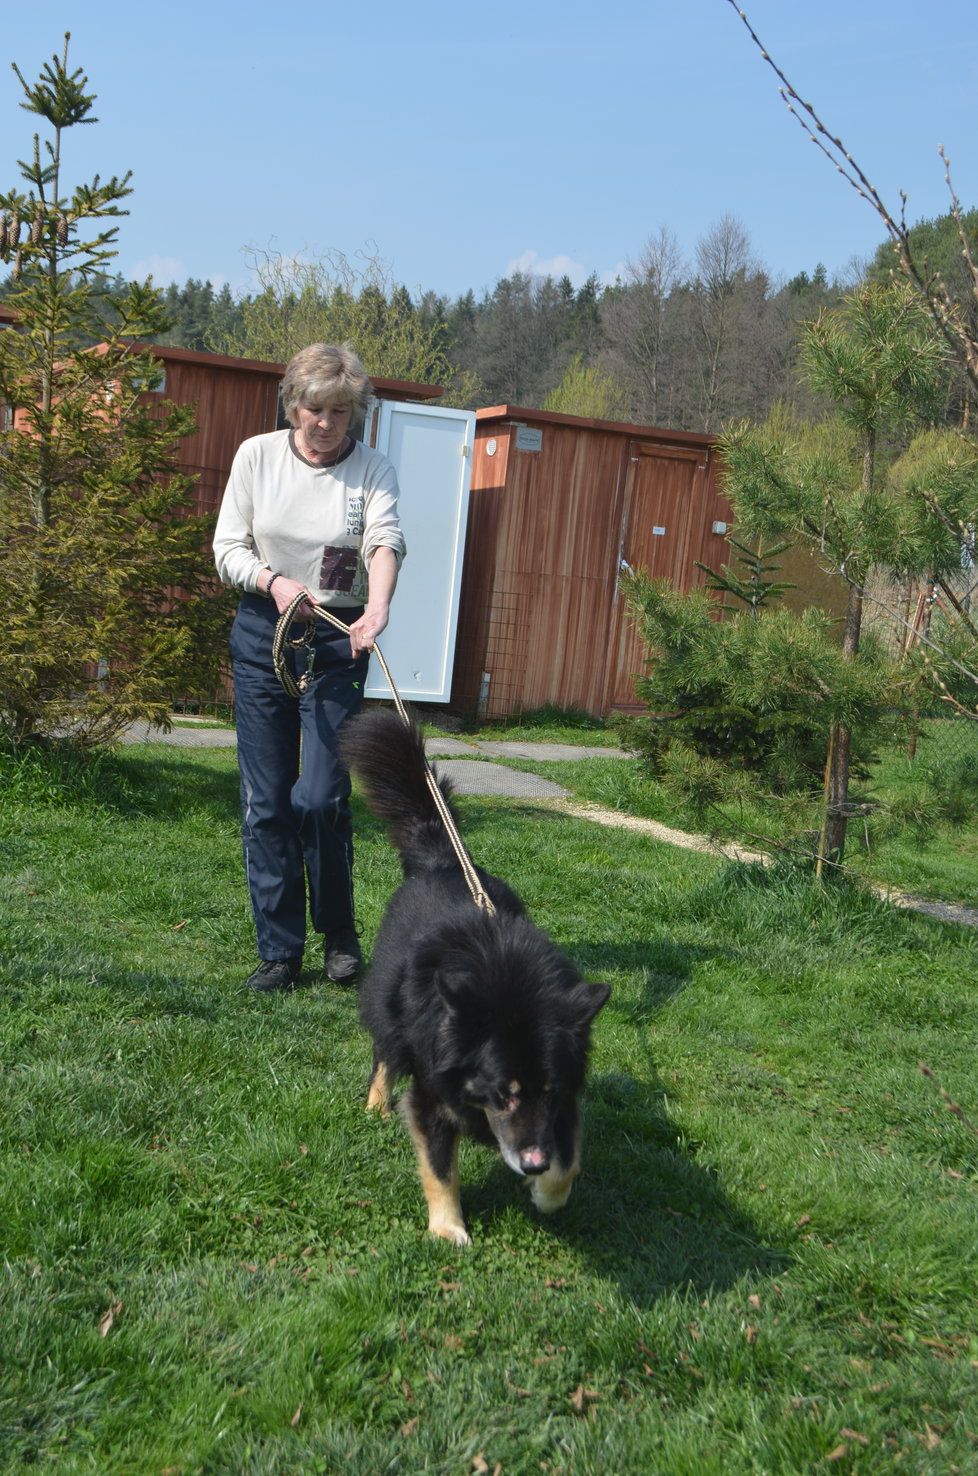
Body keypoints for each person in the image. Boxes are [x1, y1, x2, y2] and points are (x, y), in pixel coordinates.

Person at [213, 343, 405, 992]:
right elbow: (227, 548)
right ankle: (279, 952)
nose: (325, 423)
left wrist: (375, 609)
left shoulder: (373, 469)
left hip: (335, 640)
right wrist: (270, 581)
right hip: (265, 632)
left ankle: (340, 934)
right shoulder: (256, 457)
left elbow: (384, 540)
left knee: (320, 798)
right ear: (293, 404)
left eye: (340, 412)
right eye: (314, 409)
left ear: (357, 413)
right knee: (266, 803)